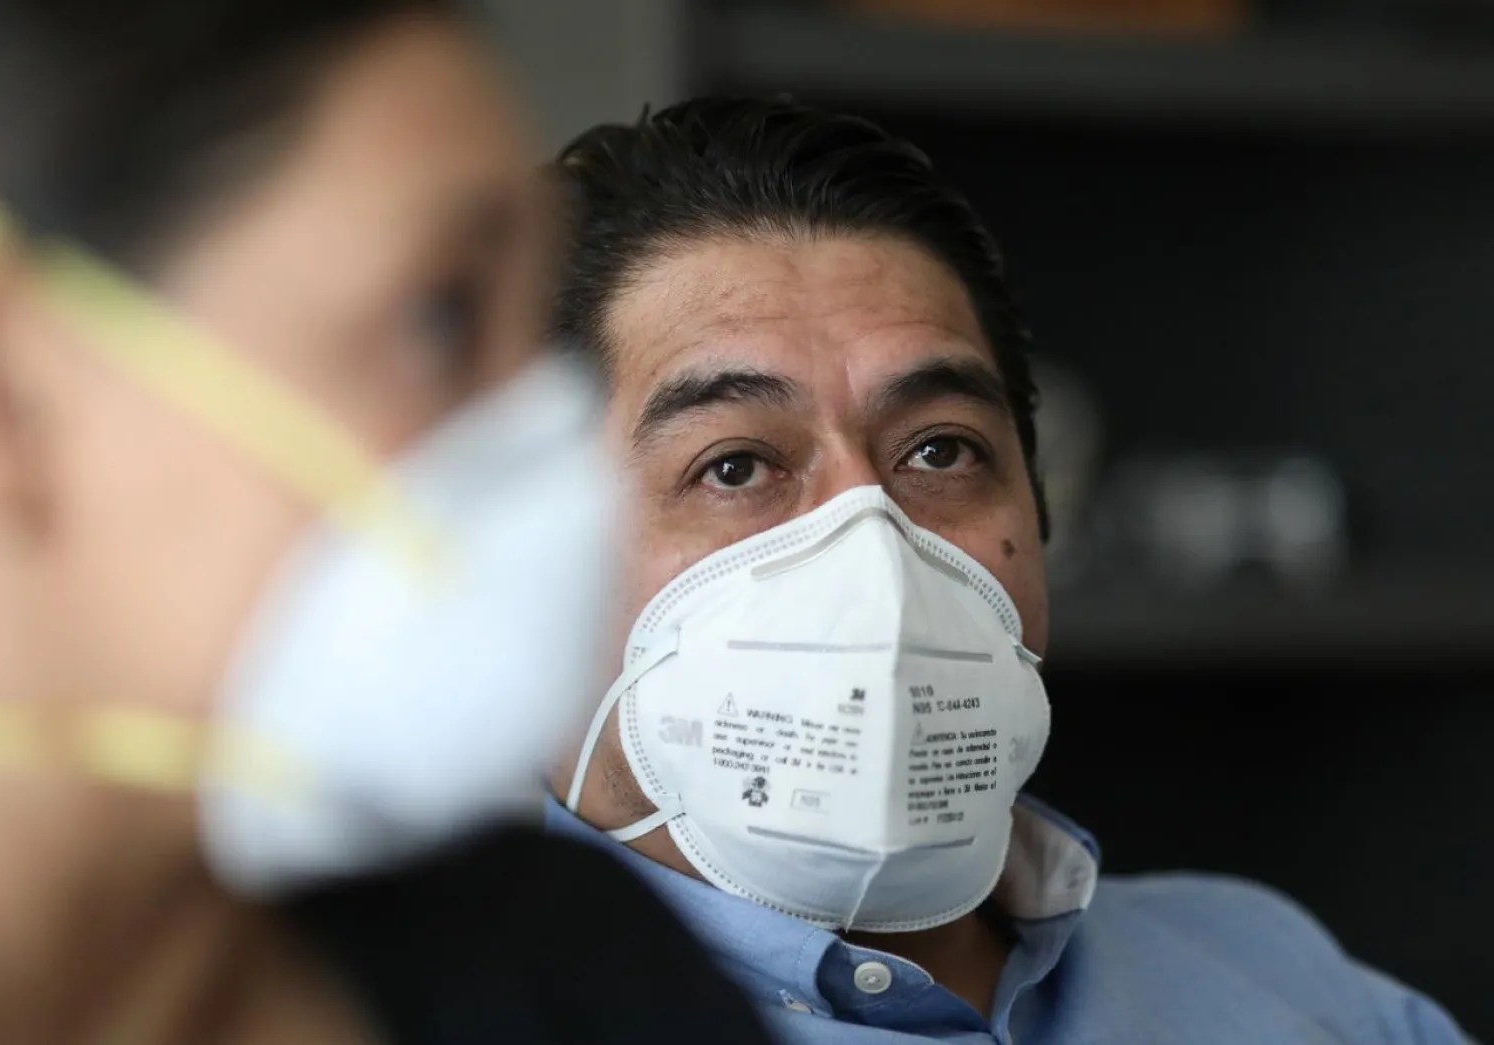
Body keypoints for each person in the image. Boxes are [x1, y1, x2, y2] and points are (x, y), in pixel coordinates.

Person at [546, 97, 1472, 1045]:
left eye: (940, 451)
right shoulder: (432, 1006)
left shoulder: (1269, 972)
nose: (876, 551)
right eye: (734, 466)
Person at [0, 4, 772, 1043]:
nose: (560, 456)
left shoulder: (583, 974)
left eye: (539, 340)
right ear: (16, 396)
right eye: (442, 318)